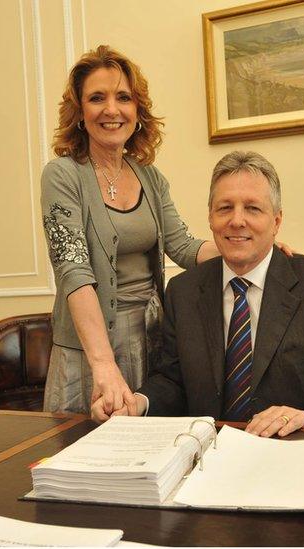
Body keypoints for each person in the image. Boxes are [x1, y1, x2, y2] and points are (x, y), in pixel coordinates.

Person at [91, 150, 304, 436]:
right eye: (225, 208)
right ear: (210, 217)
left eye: (252, 208)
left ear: (276, 221)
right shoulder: (183, 291)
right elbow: (173, 382)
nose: (237, 220)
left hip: (294, 458)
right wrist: (137, 404)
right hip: (206, 465)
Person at [40, 45, 225, 415]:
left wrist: (249, 247)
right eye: (97, 98)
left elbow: (184, 246)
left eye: (123, 97)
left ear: (137, 110)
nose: (111, 110)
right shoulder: (62, 175)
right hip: (89, 349)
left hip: (149, 341)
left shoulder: (151, 178)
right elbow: (73, 273)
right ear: (80, 112)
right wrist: (103, 365)